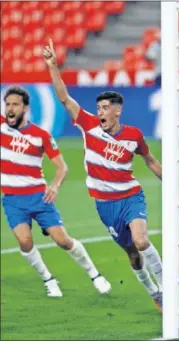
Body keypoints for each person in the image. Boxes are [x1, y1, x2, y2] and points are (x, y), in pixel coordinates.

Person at [43, 39, 179, 311]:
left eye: (104, 108)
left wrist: (173, 189)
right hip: (105, 205)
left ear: (117, 111)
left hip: (131, 197)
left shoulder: (133, 136)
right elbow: (64, 97)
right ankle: (154, 291)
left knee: (141, 239)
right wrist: (53, 67)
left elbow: (151, 161)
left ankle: (169, 290)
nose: (99, 112)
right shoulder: (88, 125)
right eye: (98, 108)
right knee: (133, 254)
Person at [1, 86, 111, 297]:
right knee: (24, 241)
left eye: (15, 104)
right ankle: (48, 279)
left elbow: (62, 167)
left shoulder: (41, 135)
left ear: (25, 107)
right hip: (13, 199)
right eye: (7, 104)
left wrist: (55, 185)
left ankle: (95, 274)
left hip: (39, 197)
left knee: (63, 241)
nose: (10, 109)